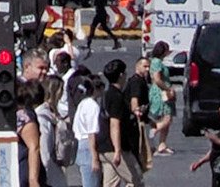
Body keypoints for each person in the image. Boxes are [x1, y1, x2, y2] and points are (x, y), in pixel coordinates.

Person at [100, 58, 144, 187]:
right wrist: (118, 150)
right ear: (120, 75)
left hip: (103, 146)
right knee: (136, 180)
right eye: (124, 73)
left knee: (110, 183)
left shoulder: (107, 94)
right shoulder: (116, 97)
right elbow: (115, 124)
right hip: (116, 147)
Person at [71, 74, 104, 187]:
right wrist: (95, 159)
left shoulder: (83, 103)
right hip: (89, 147)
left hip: (81, 144)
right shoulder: (93, 106)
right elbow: (92, 133)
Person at [17, 80, 51, 187]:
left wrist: (33, 180)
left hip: (23, 171)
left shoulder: (22, 115)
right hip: (20, 169)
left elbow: (34, 147)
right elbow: (34, 147)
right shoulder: (22, 115)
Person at [147, 43, 177, 155]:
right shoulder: (157, 62)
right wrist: (168, 89)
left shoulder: (158, 62)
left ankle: (162, 144)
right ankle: (154, 131)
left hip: (162, 91)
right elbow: (157, 79)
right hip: (161, 92)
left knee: (166, 118)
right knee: (167, 118)